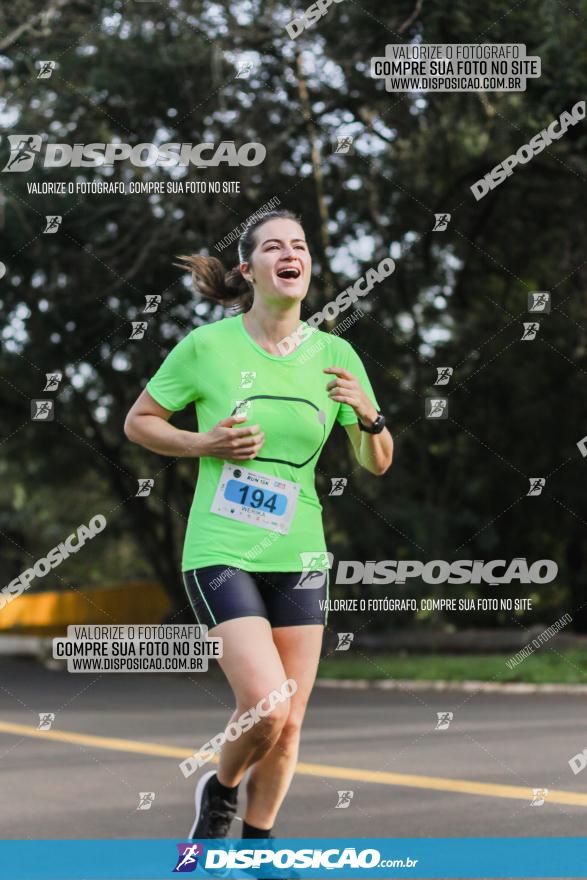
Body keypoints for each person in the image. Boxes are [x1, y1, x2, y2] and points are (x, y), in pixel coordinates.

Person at [124, 208, 393, 841]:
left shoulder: (336, 354)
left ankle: (258, 841)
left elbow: (377, 462)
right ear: (249, 270)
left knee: (291, 720)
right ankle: (219, 792)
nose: (289, 254)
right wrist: (203, 443)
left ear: (307, 267)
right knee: (267, 703)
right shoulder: (207, 346)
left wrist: (368, 416)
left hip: (299, 550)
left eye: (298, 245)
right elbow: (140, 422)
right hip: (222, 548)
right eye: (273, 247)